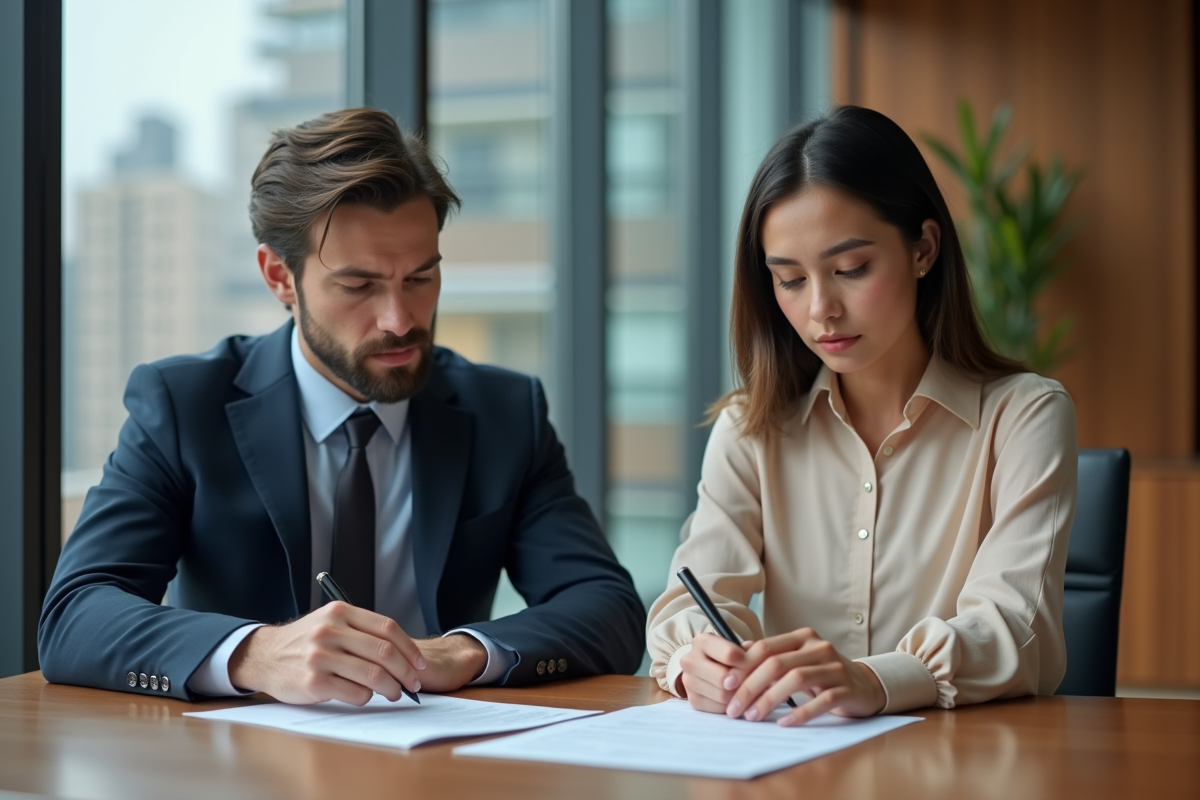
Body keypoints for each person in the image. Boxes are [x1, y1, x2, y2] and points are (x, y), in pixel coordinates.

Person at [39, 108, 645, 704]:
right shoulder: (184, 404)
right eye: (359, 286)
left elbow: (607, 605)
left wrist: (462, 652)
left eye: (420, 278)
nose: (400, 320)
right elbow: (76, 615)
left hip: (442, 758)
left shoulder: (505, 410)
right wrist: (256, 654)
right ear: (280, 277)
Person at [646, 105, 1078, 726]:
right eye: (790, 280)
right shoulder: (750, 428)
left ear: (924, 248)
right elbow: (696, 602)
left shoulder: (1026, 416)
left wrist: (872, 680)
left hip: (965, 765)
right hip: (793, 763)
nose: (821, 309)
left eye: (851, 269)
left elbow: (1014, 627)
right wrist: (699, 659)